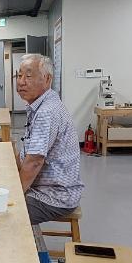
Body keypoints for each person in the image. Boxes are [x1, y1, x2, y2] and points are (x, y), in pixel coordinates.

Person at [16, 53, 83, 225]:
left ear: (47, 79)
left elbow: (34, 162)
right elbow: (29, 152)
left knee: (2, 213)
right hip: (44, 187)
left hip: (54, 195)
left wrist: (14, 195)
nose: (21, 82)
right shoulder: (42, 104)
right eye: (19, 75)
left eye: (28, 76)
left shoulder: (47, 111)